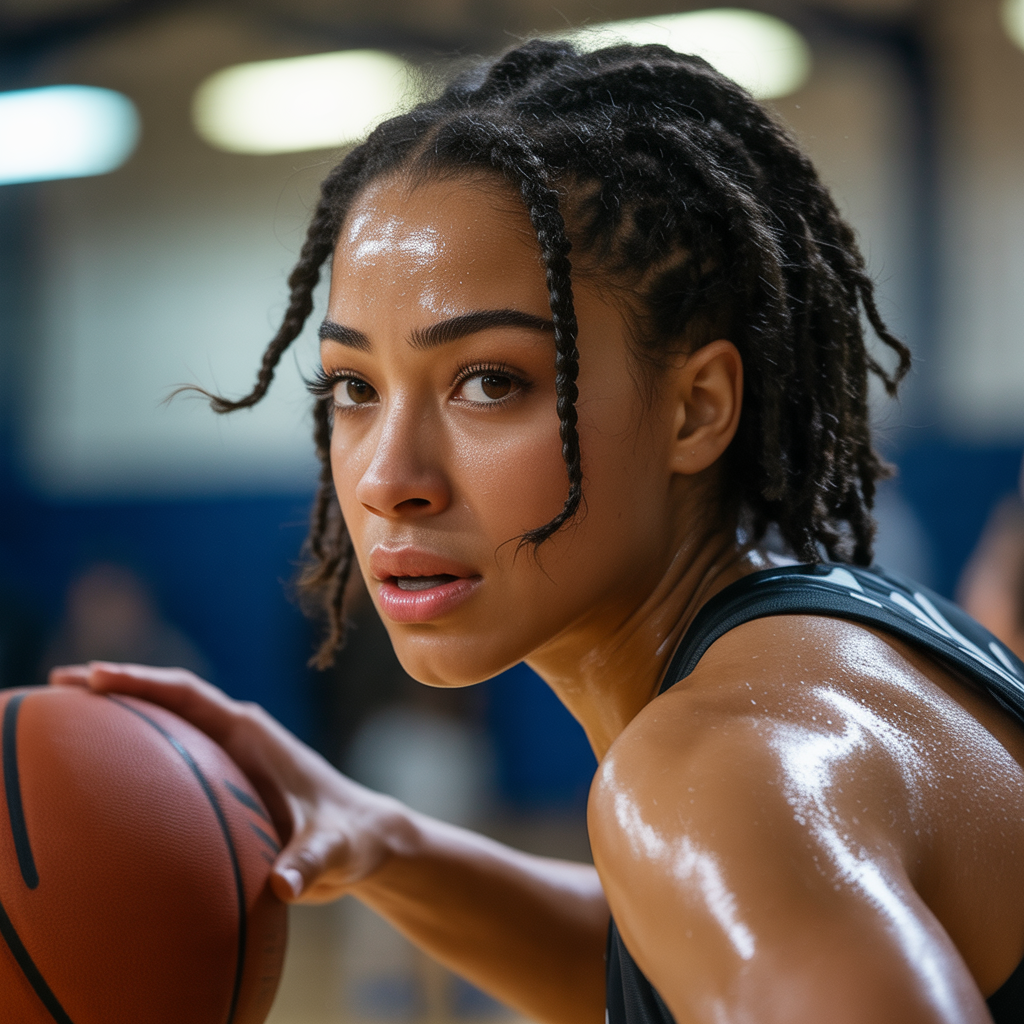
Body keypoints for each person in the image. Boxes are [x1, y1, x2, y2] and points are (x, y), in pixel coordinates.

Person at [52, 40, 1024, 1024]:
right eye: (353, 387)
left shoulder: (727, 768)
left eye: (489, 382)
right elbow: (667, 958)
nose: (390, 480)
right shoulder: (852, 637)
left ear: (693, 409)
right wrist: (382, 838)